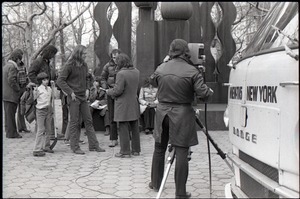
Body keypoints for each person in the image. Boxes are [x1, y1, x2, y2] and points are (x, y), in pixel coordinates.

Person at [148, 39, 214, 198]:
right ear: (186, 51)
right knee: (182, 152)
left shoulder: (161, 67)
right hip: (182, 114)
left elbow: (151, 80)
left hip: (162, 112)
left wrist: (163, 64)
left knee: (159, 148)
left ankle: (156, 183)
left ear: (171, 51)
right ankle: (180, 193)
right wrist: (209, 92)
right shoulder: (192, 71)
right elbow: (203, 94)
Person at [56, 44, 105, 155]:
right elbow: (60, 81)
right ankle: (75, 147)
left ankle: (93, 145)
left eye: (86, 54)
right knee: (74, 122)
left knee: (88, 120)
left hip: (83, 97)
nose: (85, 56)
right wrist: (70, 92)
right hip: (73, 98)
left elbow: (88, 78)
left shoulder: (84, 65)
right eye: (83, 54)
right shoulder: (69, 65)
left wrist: (88, 88)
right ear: (78, 54)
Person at [106, 53, 141, 158]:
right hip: (133, 102)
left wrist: (108, 91)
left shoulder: (121, 74)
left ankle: (125, 151)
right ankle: (136, 150)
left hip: (123, 104)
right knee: (134, 126)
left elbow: (118, 90)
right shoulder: (136, 71)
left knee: (123, 127)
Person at [28, 45, 64, 139]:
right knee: (42, 111)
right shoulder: (38, 61)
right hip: (41, 91)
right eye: (52, 54)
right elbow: (31, 73)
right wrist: (39, 84)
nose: (53, 56)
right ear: (49, 53)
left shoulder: (46, 62)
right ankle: (42, 132)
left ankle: (50, 132)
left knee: (49, 111)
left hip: (48, 89)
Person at [100, 49, 122, 147]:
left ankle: (125, 136)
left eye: (117, 57)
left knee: (123, 116)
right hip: (110, 92)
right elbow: (103, 78)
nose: (115, 59)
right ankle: (113, 139)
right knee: (112, 116)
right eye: (114, 57)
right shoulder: (107, 66)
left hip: (121, 93)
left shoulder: (123, 66)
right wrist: (105, 88)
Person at [3, 49, 25, 138]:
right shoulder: (12, 67)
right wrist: (18, 89)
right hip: (11, 94)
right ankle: (12, 133)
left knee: (8, 114)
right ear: (17, 59)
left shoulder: (6, 66)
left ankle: (8, 131)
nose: (20, 61)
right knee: (11, 114)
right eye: (20, 59)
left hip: (5, 94)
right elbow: (11, 80)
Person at [32, 72, 54, 156]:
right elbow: (33, 99)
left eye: (47, 79)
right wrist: (34, 92)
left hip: (48, 109)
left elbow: (52, 99)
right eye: (44, 80)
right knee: (41, 129)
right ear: (40, 81)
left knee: (48, 129)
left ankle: (46, 146)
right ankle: (37, 149)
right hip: (40, 110)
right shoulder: (38, 89)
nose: (46, 81)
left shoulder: (49, 89)